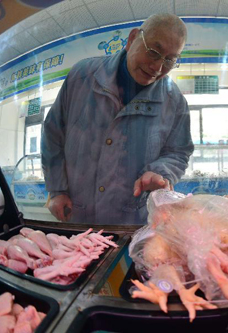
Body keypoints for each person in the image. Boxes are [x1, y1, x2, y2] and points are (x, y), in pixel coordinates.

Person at [41, 14, 194, 225]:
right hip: (77, 215)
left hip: (131, 222)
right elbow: (53, 133)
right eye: (153, 52)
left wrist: (159, 172)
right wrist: (56, 189)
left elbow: (178, 152)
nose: (157, 68)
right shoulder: (82, 76)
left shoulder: (174, 101)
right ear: (132, 39)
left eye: (169, 60)